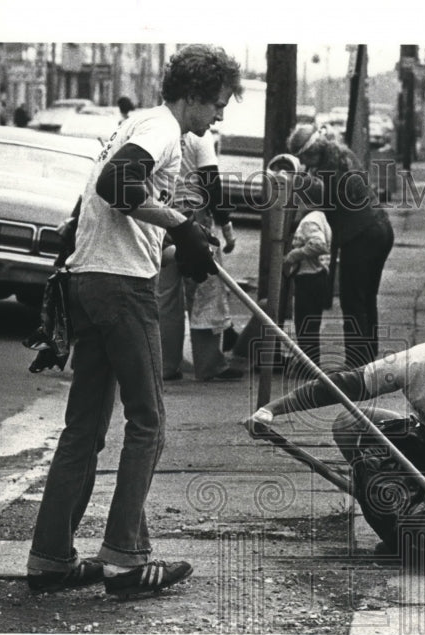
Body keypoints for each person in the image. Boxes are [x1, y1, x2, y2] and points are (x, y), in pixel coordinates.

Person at [26, 44, 241, 598]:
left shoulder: (134, 124)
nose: (219, 116)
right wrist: (180, 224)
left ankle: (50, 558)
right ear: (192, 96)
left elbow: (102, 210)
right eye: (216, 104)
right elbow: (116, 187)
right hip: (122, 288)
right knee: (148, 422)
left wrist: (178, 240)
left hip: (89, 281)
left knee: (86, 429)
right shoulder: (165, 129)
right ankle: (124, 558)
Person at [247, 333, 425, 561]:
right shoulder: (418, 364)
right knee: (348, 424)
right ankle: (402, 507)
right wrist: (271, 410)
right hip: (423, 436)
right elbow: (345, 385)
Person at [287, 124, 394, 369]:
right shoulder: (344, 155)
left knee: (352, 300)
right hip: (382, 228)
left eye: (302, 158)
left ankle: (355, 365)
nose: (303, 163)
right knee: (367, 297)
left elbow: (323, 202)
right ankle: (367, 359)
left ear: (311, 153)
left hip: (361, 236)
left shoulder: (327, 171)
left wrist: (298, 182)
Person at [157, 129, 242, 382]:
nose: (219, 117)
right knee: (207, 291)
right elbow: (211, 181)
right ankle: (209, 363)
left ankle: (166, 364)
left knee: (166, 296)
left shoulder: (162, 131)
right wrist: (226, 226)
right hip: (194, 220)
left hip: (160, 217)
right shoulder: (200, 137)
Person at [282, 190, 332, 374]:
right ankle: (310, 363)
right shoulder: (320, 216)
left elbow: (319, 244)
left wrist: (293, 256)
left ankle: (309, 366)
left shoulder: (309, 221)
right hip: (317, 276)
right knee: (310, 323)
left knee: (304, 324)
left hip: (309, 277)